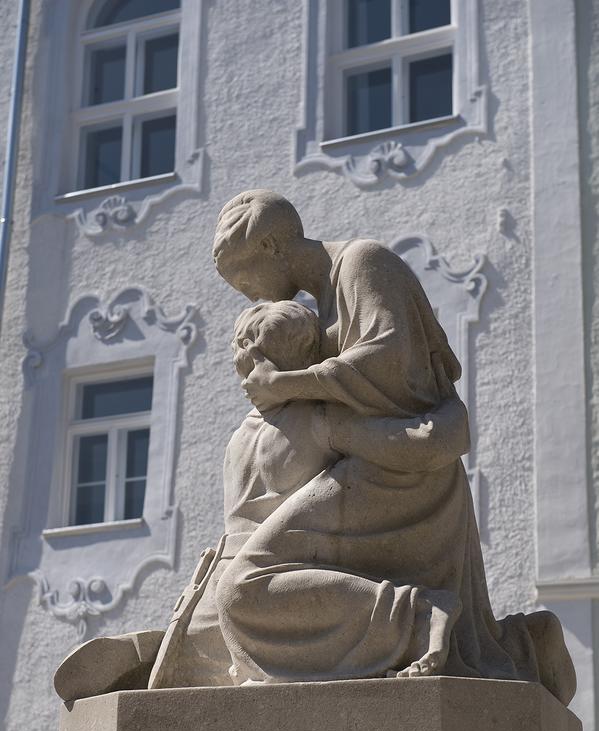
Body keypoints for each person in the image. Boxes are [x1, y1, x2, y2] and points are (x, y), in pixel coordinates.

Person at [209, 189, 576, 702]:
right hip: (366, 464)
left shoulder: (363, 262)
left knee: (247, 587)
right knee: (242, 584)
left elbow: (386, 362)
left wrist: (288, 385)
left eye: (244, 278)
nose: (250, 296)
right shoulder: (320, 301)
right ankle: (518, 644)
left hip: (404, 474)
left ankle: (425, 616)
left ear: (272, 246)